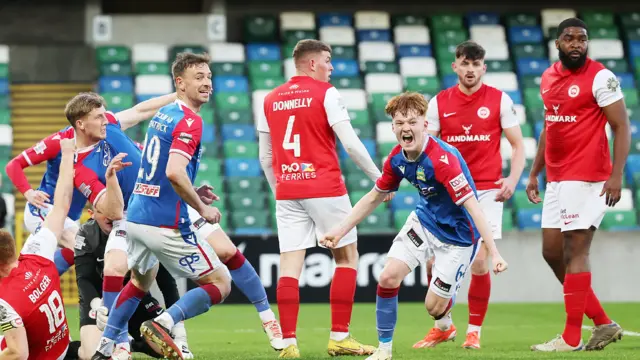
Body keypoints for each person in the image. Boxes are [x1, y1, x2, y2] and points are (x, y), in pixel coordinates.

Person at [91, 52, 282, 360]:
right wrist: (201, 208)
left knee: (140, 282)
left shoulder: (164, 113)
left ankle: (104, 349)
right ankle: (164, 322)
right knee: (220, 283)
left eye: (208, 77)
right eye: (199, 78)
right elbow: (173, 172)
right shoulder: (190, 121)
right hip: (165, 221)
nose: (207, 83)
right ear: (180, 83)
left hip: (137, 216)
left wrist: (193, 190)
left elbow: (161, 169)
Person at [320, 92, 508, 360]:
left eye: (411, 121)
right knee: (387, 277)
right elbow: (375, 196)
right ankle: (384, 350)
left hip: (459, 237)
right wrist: (339, 231)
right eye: (399, 123)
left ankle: (444, 323)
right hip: (424, 222)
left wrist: (495, 253)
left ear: (425, 125)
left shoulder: (443, 160)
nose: (405, 128)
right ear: (393, 128)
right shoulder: (396, 158)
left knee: (433, 308)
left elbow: (474, 207)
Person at [257, 39, 387, 358]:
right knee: (346, 257)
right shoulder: (326, 93)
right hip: (324, 185)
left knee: (289, 264)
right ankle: (340, 336)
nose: (331, 67)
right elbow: (352, 145)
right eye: (328, 61)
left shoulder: (269, 99)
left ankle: (288, 342)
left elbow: (265, 157)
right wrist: (380, 180)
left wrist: (281, 190)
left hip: (288, 189)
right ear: (312, 63)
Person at [413, 40, 525, 349]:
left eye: (476, 64)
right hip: (448, 192)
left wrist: (512, 180)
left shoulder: (499, 100)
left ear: (484, 68)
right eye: (465, 63)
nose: (471, 69)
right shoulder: (439, 103)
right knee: (433, 263)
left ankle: (474, 331)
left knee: (479, 262)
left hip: (487, 190)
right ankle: (443, 326)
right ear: (455, 66)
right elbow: (427, 148)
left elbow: (518, 145)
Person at [527, 18, 629, 352]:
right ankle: (603, 323)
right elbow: (549, 125)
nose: (576, 44)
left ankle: (571, 338)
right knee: (551, 252)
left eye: (582, 39)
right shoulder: (547, 77)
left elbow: (622, 126)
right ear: (558, 43)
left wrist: (616, 175)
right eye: (569, 38)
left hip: (589, 176)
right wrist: (534, 172)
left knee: (576, 250)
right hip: (557, 178)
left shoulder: (601, 77)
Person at [4, 93, 176, 276]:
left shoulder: (104, 131)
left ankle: (29, 279)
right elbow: (13, 165)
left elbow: (140, 111)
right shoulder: (59, 142)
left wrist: (177, 97)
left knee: (78, 252)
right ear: (81, 124)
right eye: (98, 117)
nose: (104, 120)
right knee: (91, 251)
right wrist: (29, 193)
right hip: (46, 209)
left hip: (72, 214)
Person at [0, 138, 114, 360]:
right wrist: (68, 156)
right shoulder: (36, 254)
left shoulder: (4, 301)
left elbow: (18, 354)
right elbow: (61, 206)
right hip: (65, 348)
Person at [74, 207, 187, 360]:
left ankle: (133, 343)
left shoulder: (140, 231)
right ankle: (69, 349)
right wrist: (97, 306)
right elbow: (85, 279)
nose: (110, 216)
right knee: (89, 355)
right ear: (91, 213)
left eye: (115, 210)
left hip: (134, 301)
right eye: (102, 211)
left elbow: (166, 282)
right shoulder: (86, 233)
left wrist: (179, 331)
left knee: (167, 347)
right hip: (99, 302)